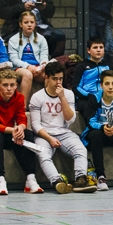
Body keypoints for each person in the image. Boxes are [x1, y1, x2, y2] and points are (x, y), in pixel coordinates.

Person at [29, 61, 96, 194]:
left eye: (60, 79)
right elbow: (35, 125)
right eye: (54, 79)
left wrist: (62, 98)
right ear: (46, 78)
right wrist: (49, 138)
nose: (58, 82)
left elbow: (70, 119)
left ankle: (80, 180)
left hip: (64, 132)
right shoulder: (37, 97)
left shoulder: (68, 94)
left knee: (81, 150)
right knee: (43, 154)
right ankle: (57, 181)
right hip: (44, 134)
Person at [0, 68, 41, 195]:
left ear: (16, 85)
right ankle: (0, 179)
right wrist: (13, 130)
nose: (9, 88)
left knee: (28, 134)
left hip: (6, 133)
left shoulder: (19, 97)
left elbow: (22, 118)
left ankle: (31, 178)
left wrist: (20, 128)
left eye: (12, 85)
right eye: (5, 85)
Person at [7, 11, 48, 101]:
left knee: (49, 75)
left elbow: (44, 56)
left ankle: (48, 106)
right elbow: (14, 59)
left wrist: (44, 64)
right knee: (28, 74)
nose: (29, 25)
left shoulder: (41, 39)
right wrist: (28, 66)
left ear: (35, 23)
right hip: (19, 68)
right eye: (26, 22)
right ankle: (22, 108)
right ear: (20, 24)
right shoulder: (13, 40)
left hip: (37, 68)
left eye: (32, 22)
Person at [72, 37, 113, 108]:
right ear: (88, 50)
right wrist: (90, 96)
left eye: (101, 47)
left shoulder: (108, 66)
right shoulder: (82, 66)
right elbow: (76, 88)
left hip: (105, 97)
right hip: (86, 98)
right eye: (95, 47)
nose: (98, 50)